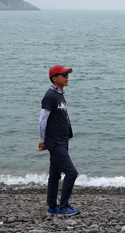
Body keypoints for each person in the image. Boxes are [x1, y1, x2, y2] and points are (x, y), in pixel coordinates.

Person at [38, 64, 80, 217]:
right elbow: (42, 120)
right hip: (55, 142)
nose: (67, 77)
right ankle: (63, 208)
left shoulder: (59, 94)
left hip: (61, 140)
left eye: (67, 74)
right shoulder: (50, 96)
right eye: (64, 75)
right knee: (71, 173)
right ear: (54, 78)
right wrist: (42, 140)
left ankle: (52, 207)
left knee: (55, 175)